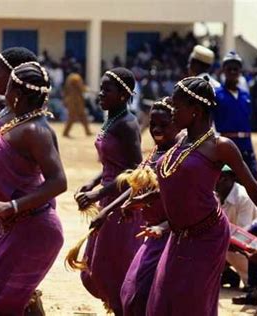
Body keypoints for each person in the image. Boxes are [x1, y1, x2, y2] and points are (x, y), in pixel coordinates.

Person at [146, 76, 257, 315]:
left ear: (196, 110)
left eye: (177, 107)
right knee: (161, 303)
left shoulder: (220, 146)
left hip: (207, 236)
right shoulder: (179, 141)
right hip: (178, 235)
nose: (172, 111)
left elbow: (254, 189)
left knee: (191, 305)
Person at [0, 61, 66, 315]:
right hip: (7, 227)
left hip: (32, 229)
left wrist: (12, 205)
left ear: (16, 95)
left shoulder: (35, 130)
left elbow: (58, 181)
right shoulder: (14, 123)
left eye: (8, 87)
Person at [75, 67, 143, 315]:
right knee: (94, 268)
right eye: (101, 88)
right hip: (107, 198)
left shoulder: (126, 124)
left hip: (121, 204)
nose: (100, 93)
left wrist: (98, 194)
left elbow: (136, 172)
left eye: (107, 89)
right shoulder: (112, 119)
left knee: (109, 270)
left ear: (124, 95)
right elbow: (113, 165)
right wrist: (94, 182)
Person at [120, 97, 179, 315]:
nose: (156, 129)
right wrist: (129, 204)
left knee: (141, 296)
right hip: (151, 234)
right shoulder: (156, 151)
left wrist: (162, 227)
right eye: (153, 124)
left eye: (164, 125)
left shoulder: (179, 157)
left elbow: (188, 204)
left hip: (171, 236)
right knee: (130, 294)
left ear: (177, 124)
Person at [213, 51, 257, 180]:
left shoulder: (245, 95)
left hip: (246, 146)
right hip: (227, 146)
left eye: (236, 69)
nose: (233, 72)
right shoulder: (217, 94)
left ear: (240, 71)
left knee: (254, 177)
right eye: (229, 69)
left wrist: (251, 151)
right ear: (223, 70)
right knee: (229, 183)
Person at [216, 165, 257, 287]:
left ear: (231, 178)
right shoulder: (215, 196)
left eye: (222, 178)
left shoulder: (243, 197)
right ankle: (227, 275)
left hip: (248, 246)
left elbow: (243, 236)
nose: (218, 181)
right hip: (229, 243)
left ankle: (252, 284)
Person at [62, 72, 92, 137]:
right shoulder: (76, 78)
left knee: (82, 117)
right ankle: (65, 133)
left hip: (72, 101)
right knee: (73, 118)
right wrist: (86, 89)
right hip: (76, 102)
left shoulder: (69, 79)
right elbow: (82, 88)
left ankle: (87, 131)